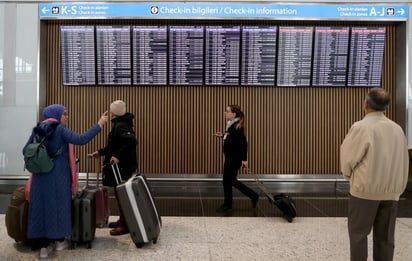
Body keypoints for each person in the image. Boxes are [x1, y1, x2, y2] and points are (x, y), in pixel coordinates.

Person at [23, 104, 108, 259]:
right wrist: (99, 124)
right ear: (57, 115)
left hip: (39, 177)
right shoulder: (59, 129)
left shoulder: (37, 129)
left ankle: (43, 247)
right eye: (65, 114)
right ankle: (60, 242)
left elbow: (25, 150)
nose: (67, 117)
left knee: (41, 208)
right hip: (58, 176)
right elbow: (81, 139)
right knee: (58, 208)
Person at [340, 87, 409, 261]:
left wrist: (350, 178)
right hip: (391, 192)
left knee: (358, 236)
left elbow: (348, 159)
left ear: (366, 104)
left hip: (365, 191)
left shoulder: (361, 127)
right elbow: (403, 160)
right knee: (385, 239)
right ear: (386, 106)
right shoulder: (397, 129)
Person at [92, 100, 137, 236]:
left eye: (111, 111)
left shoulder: (121, 126)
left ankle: (125, 224)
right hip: (124, 166)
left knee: (122, 195)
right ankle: (122, 220)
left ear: (115, 113)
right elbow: (115, 145)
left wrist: (117, 156)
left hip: (123, 167)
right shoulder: (121, 124)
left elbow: (131, 141)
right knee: (120, 194)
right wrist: (100, 152)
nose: (109, 113)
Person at [214, 104, 259, 215]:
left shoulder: (237, 126)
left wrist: (244, 159)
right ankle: (252, 196)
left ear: (234, 114)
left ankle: (228, 205)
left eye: (227, 111)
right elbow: (232, 138)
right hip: (231, 157)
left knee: (227, 181)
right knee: (230, 181)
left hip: (234, 158)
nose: (225, 113)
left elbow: (243, 143)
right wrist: (223, 135)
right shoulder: (232, 125)